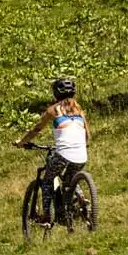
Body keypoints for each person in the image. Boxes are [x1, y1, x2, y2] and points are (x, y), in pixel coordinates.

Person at [17, 78, 89, 224]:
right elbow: (87, 134)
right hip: (82, 155)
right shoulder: (79, 109)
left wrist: (22, 142)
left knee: (47, 182)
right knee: (69, 181)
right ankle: (81, 199)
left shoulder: (53, 110)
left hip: (63, 154)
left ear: (55, 93)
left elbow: (36, 129)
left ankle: (47, 216)